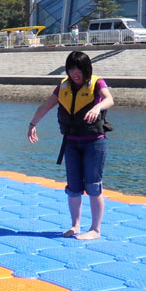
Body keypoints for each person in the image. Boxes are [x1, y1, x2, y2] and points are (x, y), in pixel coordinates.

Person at [27, 51, 115, 241]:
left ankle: (95, 229)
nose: (75, 73)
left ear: (86, 69)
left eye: (79, 69)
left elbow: (109, 99)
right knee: (73, 187)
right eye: (71, 69)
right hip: (72, 143)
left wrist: (97, 107)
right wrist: (32, 124)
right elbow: (45, 106)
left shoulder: (97, 83)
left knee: (93, 184)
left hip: (94, 142)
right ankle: (75, 225)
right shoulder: (63, 87)